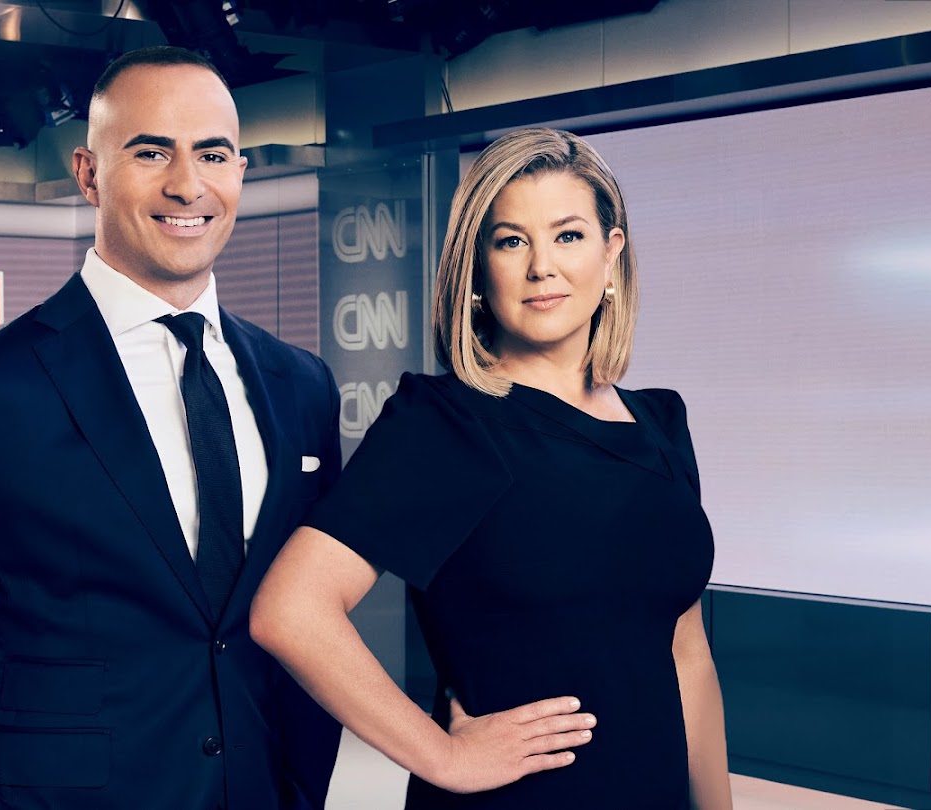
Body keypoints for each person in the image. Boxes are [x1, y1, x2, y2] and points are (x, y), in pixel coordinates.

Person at [0, 46, 345, 810]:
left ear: (240, 172)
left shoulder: (300, 386)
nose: (188, 184)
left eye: (212, 154)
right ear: (88, 173)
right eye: (151, 152)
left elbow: (307, 615)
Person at [251, 128, 731, 809]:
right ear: (477, 270)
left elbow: (686, 654)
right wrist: (442, 753)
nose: (542, 267)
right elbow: (290, 610)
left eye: (568, 236)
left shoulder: (661, 424)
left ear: (611, 254)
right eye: (511, 241)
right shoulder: (446, 424)